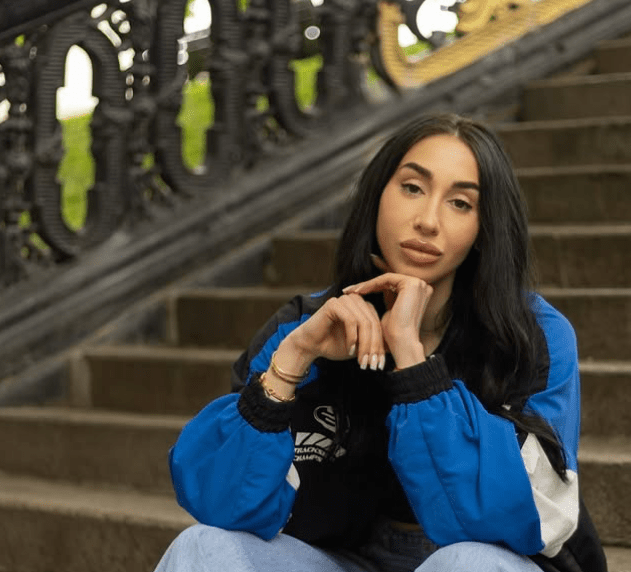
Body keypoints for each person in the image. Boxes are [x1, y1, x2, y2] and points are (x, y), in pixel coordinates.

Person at [154, 113, 607, 572]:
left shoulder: (531, 337)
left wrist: (412, 362)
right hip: (342, 558)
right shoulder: (307, 326)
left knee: (469, 564)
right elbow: (221, 503)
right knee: (201, 547)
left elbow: (525, 514)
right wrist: (291, 363)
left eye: (460, 203)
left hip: (488, 558)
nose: (427, 221)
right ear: (377, 196)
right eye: (412, 188)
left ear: (482, 228)